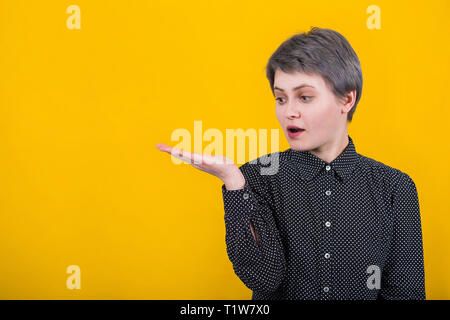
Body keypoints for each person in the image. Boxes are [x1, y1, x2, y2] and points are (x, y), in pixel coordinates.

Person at [156, 27, 426, 300]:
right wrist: (234, 183)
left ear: (346, 99)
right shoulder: (256, 176)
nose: (289, 112)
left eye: (304, 97)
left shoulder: (394, 187)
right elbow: (264, 277)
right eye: (280, 98)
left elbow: (406, 292)